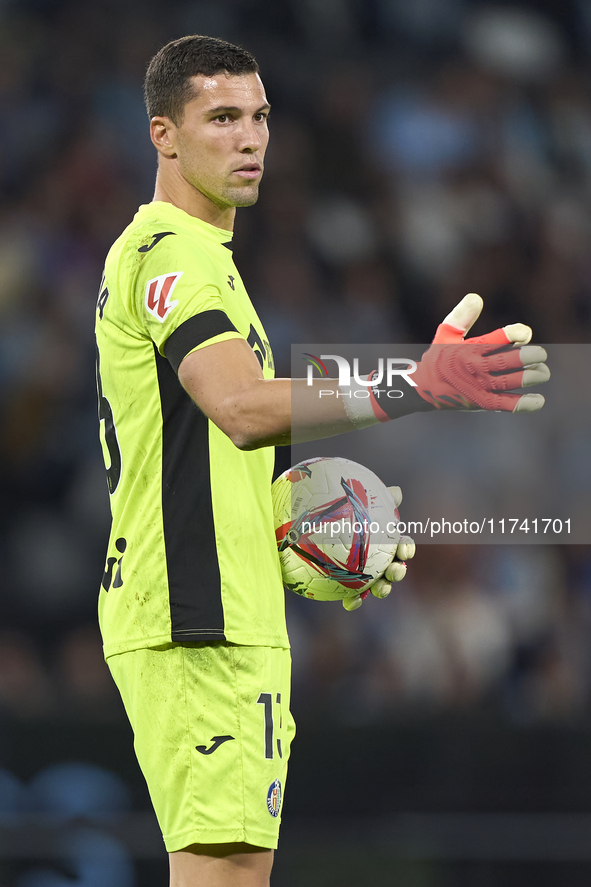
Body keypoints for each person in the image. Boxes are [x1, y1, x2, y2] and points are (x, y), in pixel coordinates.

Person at [95, 35, 549, 887]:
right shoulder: (175, 256)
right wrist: (409, 385)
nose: (250, 138)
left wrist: (313, 542)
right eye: (221, 118)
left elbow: (207, 454)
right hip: (198, 619)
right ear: (163, 134)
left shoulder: (208, 264)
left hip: (224, 611)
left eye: (259, 117)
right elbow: (236, 408)